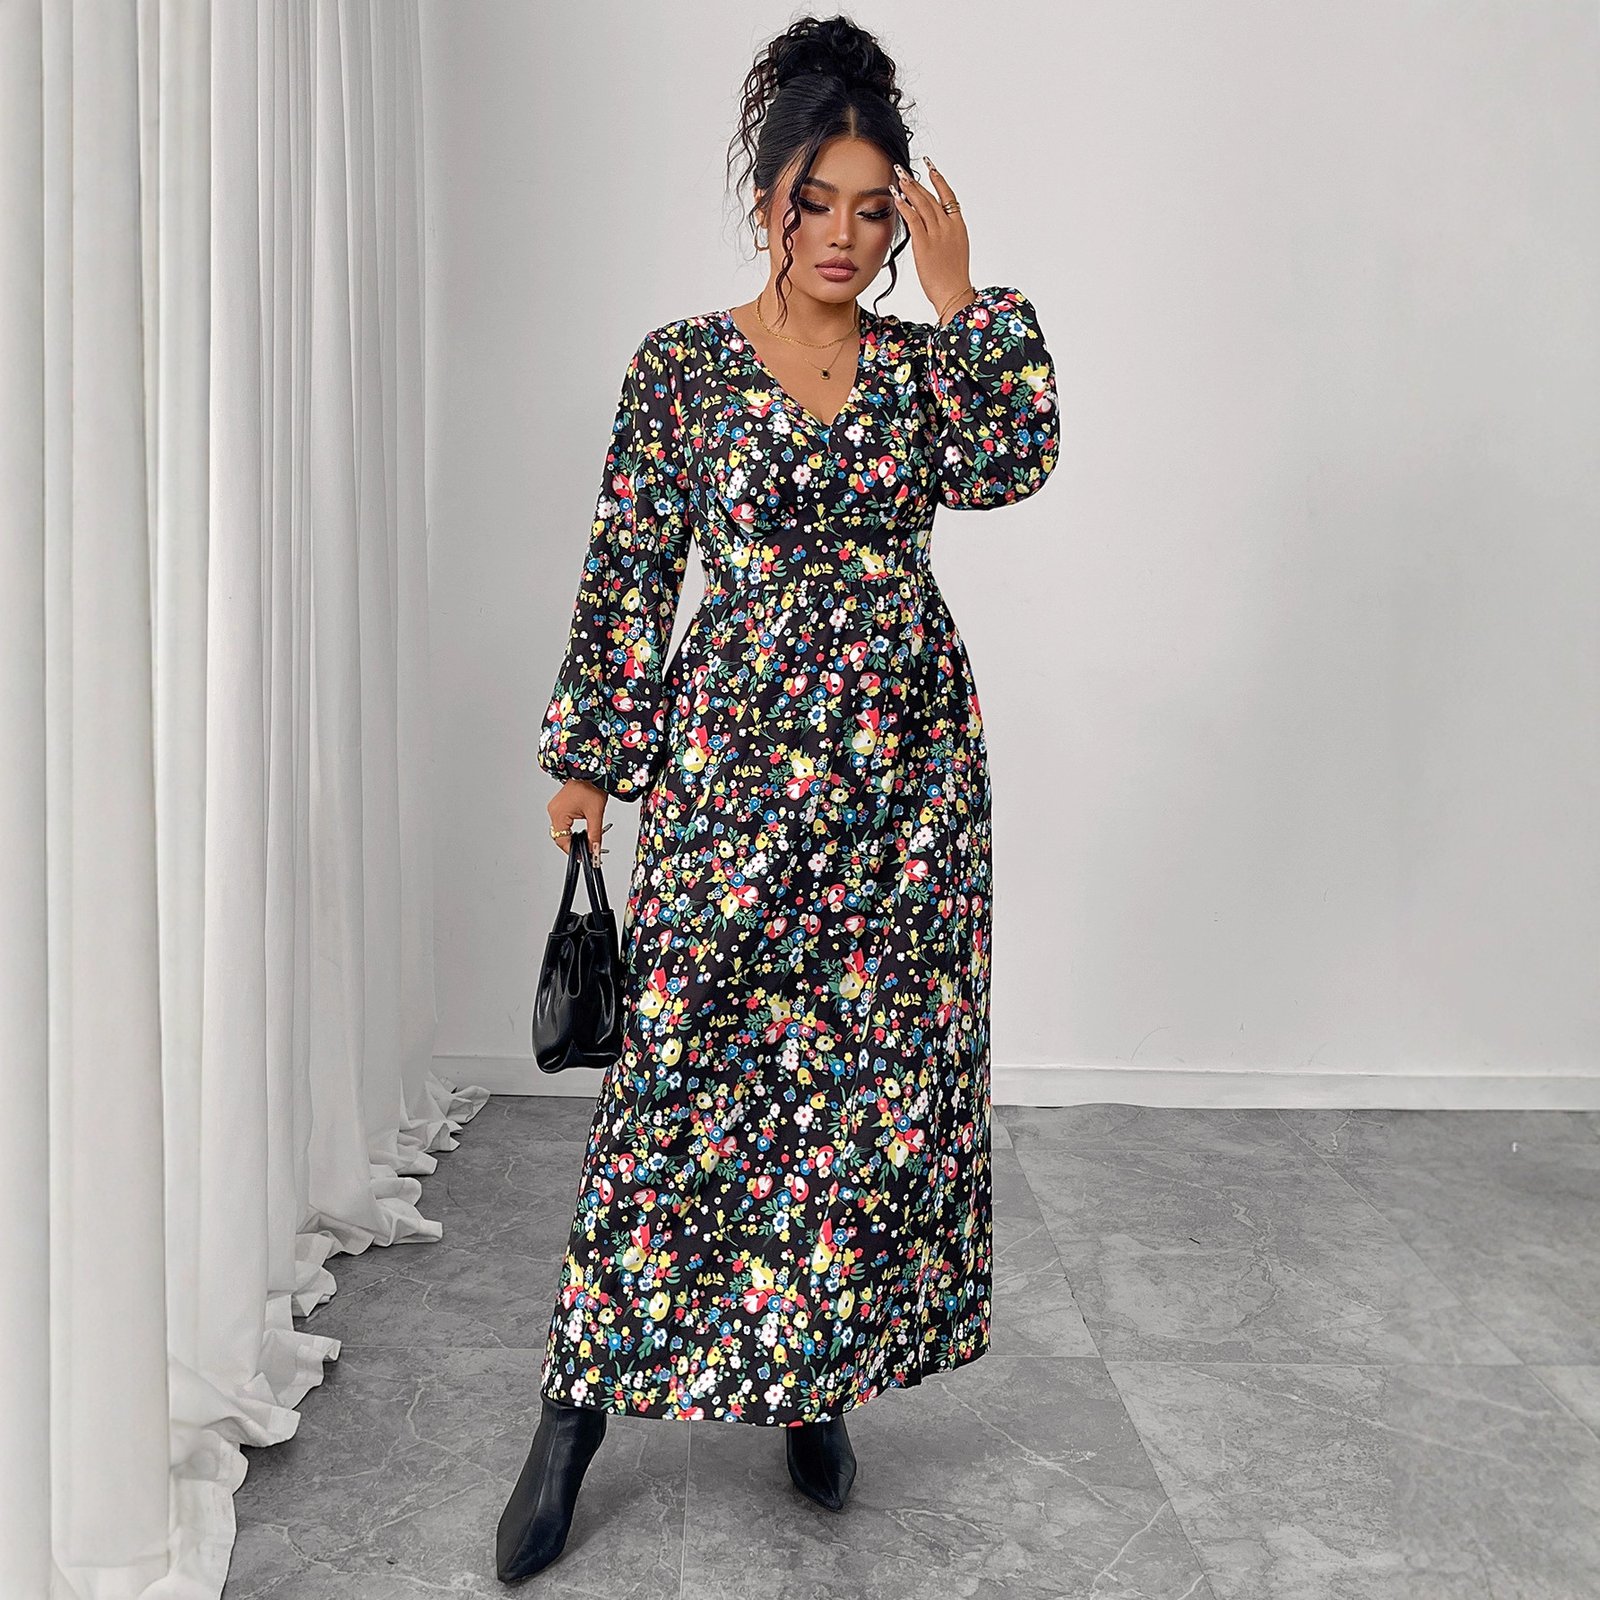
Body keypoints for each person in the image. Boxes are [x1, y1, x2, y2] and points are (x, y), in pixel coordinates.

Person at [496, 13, 1060, 1583]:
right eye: (819, 203)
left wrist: (965, 297)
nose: (845, 237)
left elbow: (1022, 455)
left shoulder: (927, 372)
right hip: (736, 776)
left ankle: (816, 1387)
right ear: (769, 203)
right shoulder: (681, 368)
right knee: (680, 1089)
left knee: (862, 1097)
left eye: (876, 212)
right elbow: (631, 568)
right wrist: (592, 755)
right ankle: (572, 1413)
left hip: (906, 786)